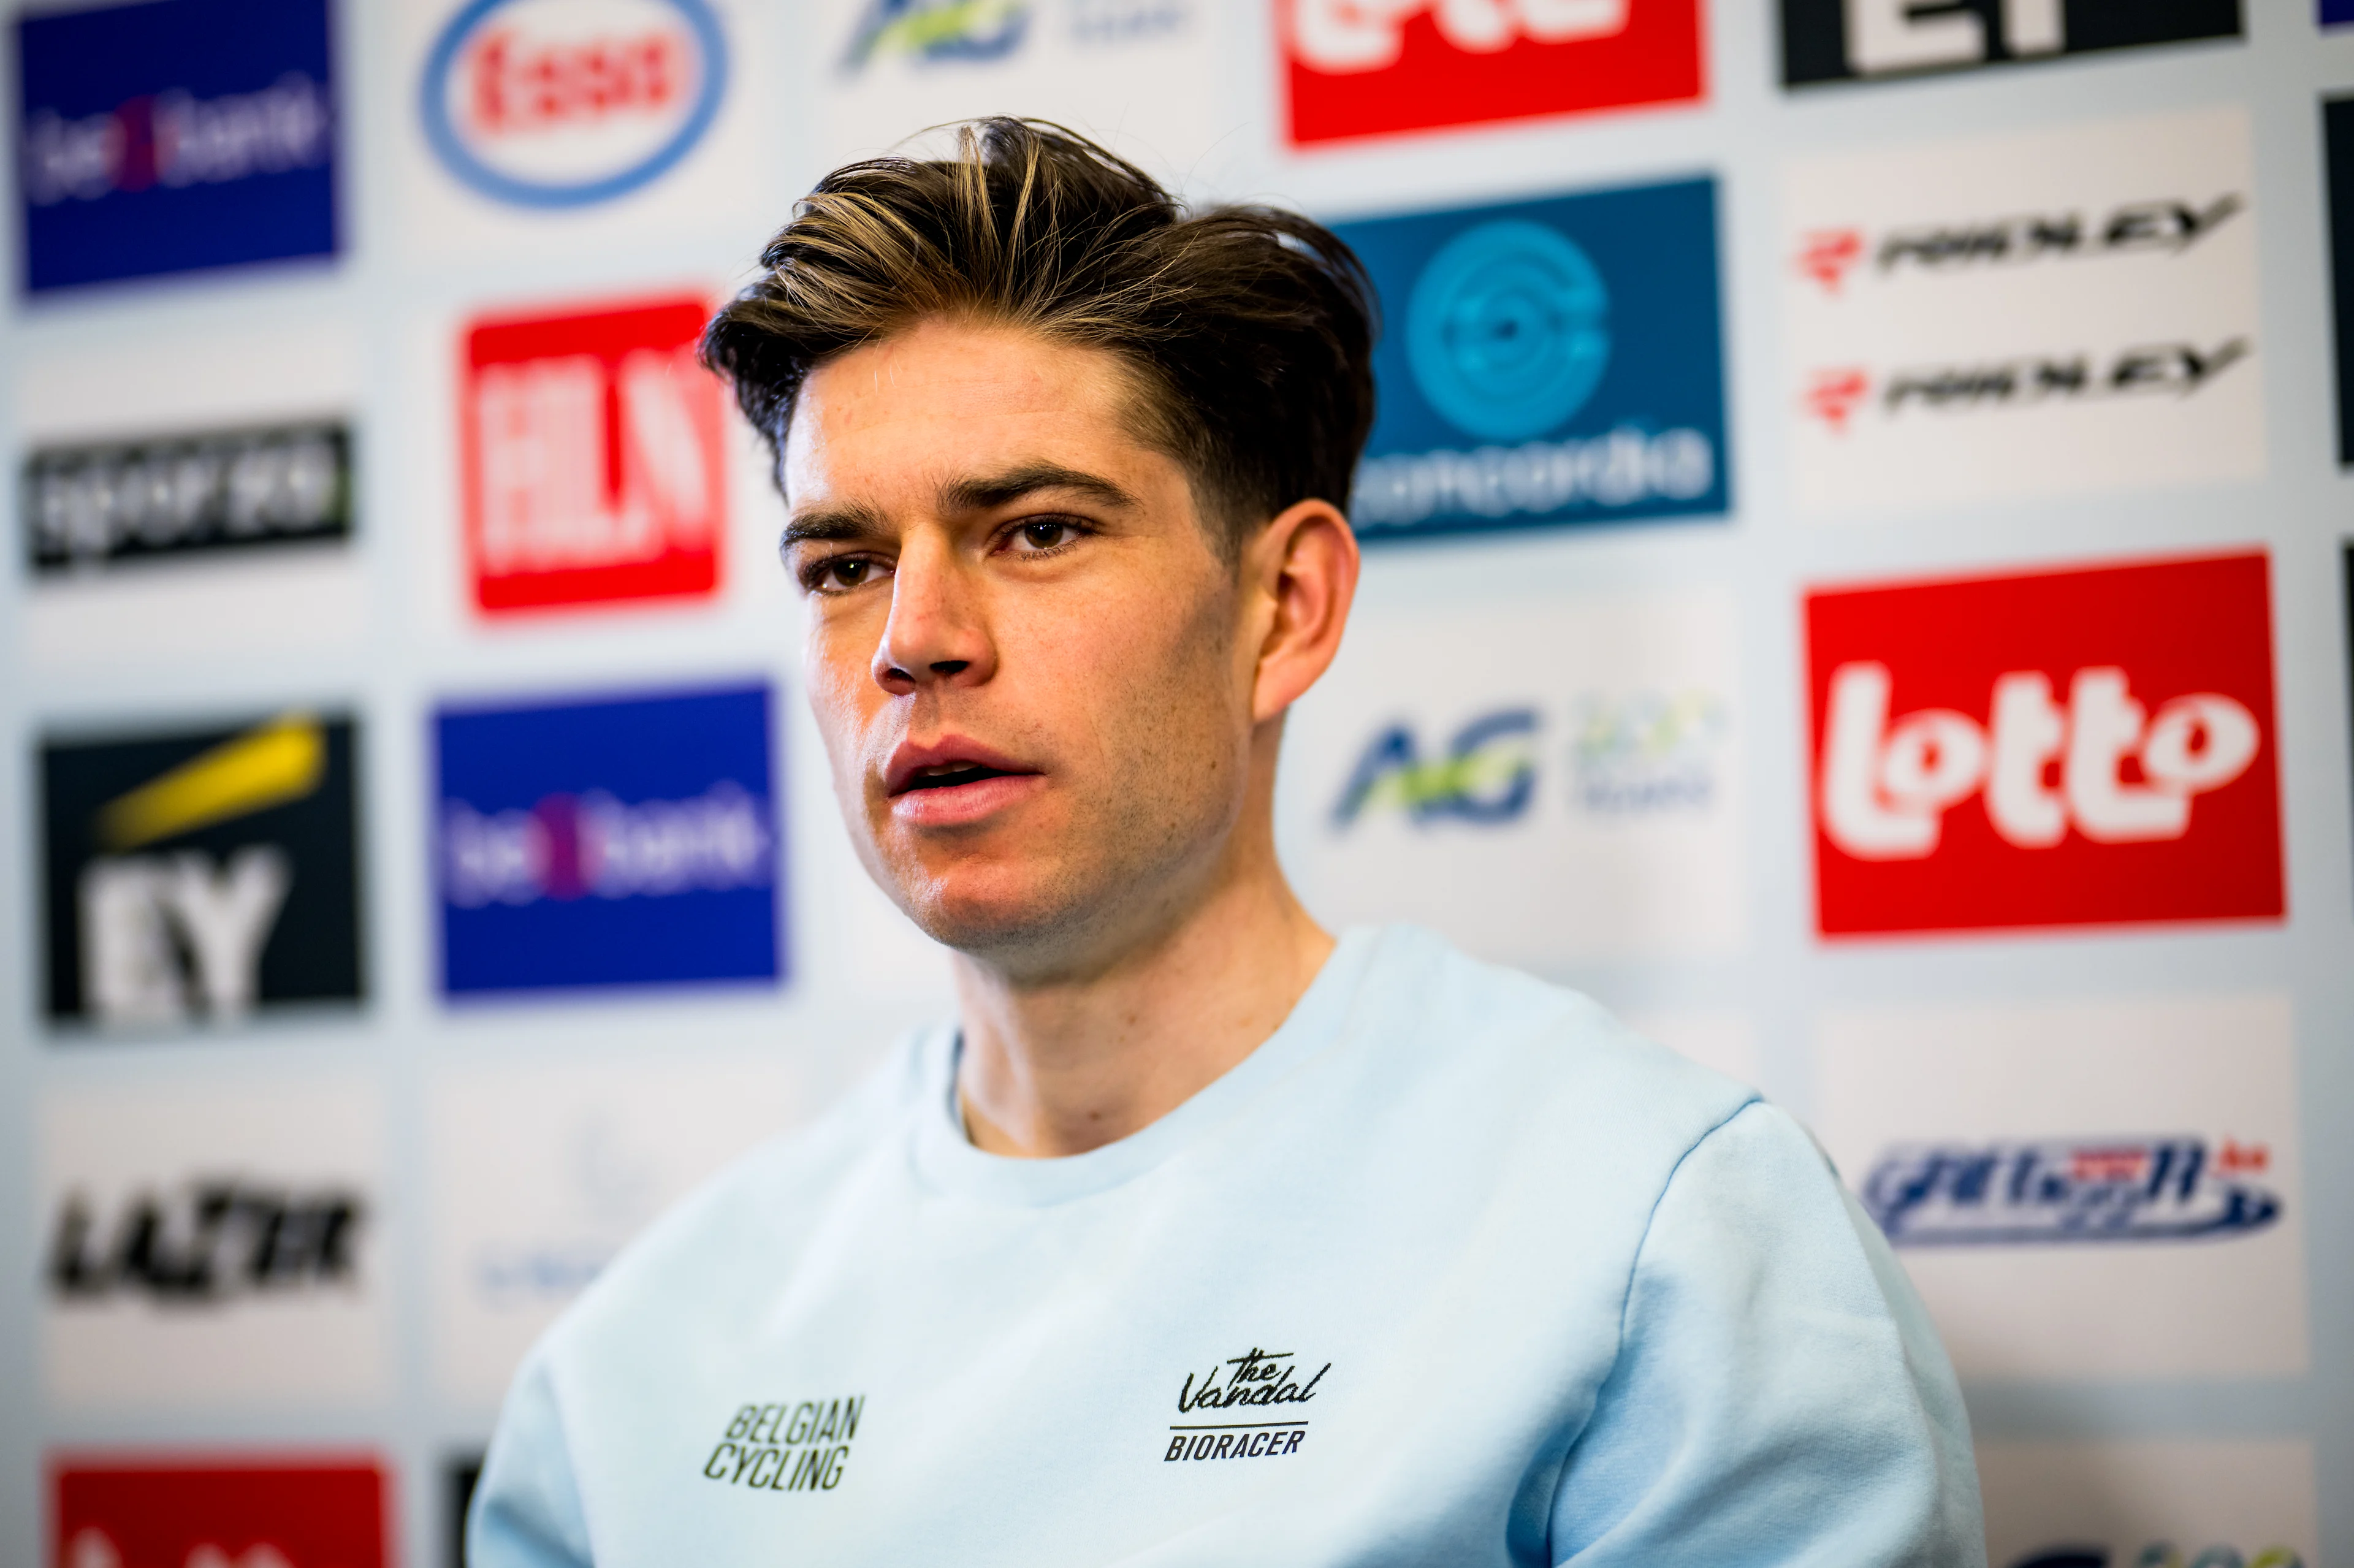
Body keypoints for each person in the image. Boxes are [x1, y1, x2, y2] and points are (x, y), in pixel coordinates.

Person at [469, 118, 1984, 1567]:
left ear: (1286, 609)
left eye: (1039, 530)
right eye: (846, 563)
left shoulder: (1662, 1237)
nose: (913, 642)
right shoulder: (634, 1370)